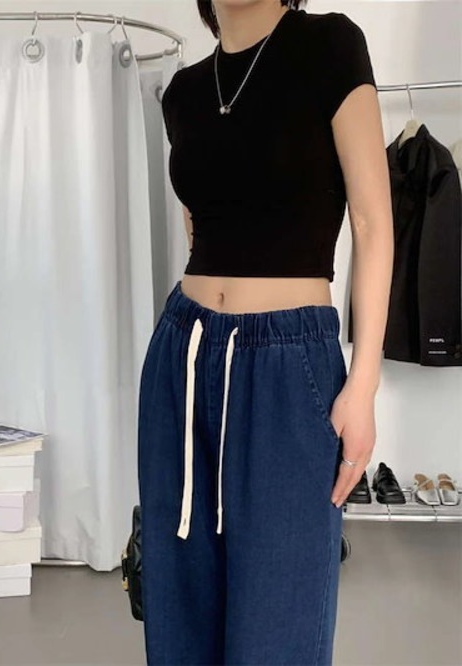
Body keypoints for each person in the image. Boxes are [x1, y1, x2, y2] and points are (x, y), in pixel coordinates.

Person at [138, 0, 394, 664]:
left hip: (289, 364)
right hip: (183, 353)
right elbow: (199, 226)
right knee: (180, 603)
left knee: (281, 613)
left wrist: (363, 383)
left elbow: (373, 223)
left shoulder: (329, 46)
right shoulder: (184, 92)